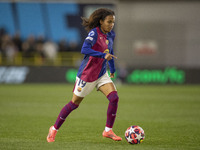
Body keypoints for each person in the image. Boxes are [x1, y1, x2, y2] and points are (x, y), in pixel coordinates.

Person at [47, 8, 122, 142]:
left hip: (101, 73)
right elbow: (84, 49)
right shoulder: (94, 33)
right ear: (101, 21)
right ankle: (54, 128)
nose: (111, 25)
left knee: (114, 98)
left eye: (113, 22)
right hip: (87, 75)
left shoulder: (111, 35)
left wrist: (112, 68)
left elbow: (109, 51)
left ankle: (108, 130)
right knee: (74, 103)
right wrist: (102, 55)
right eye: (109, 22)